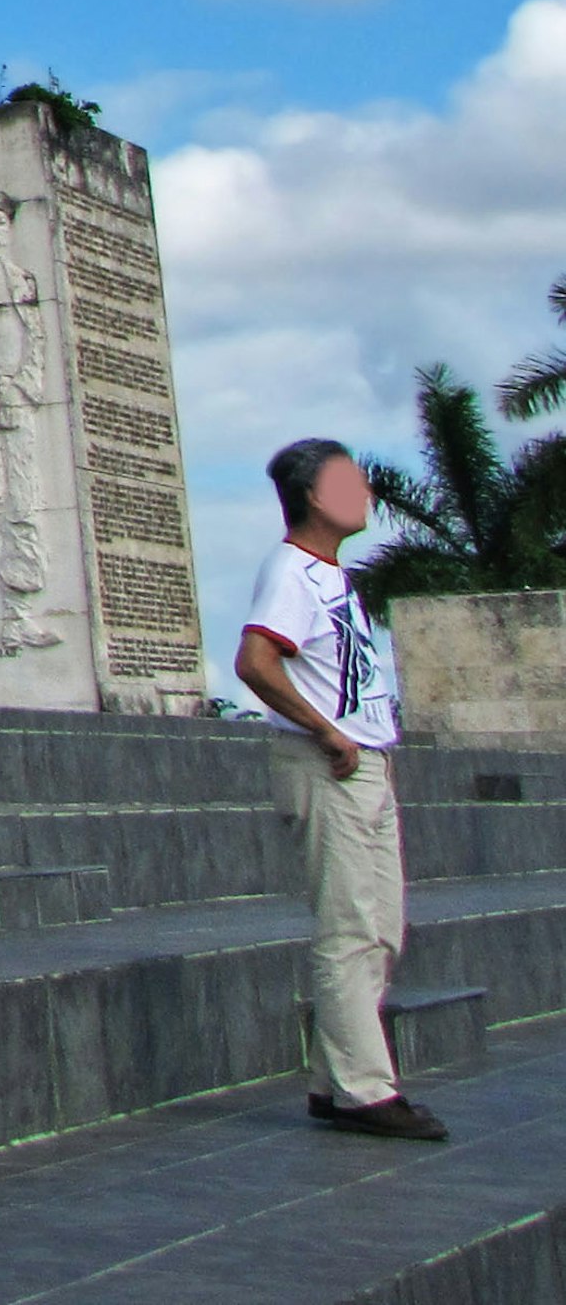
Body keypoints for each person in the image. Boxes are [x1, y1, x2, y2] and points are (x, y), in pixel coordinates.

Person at [235, 437, 442, 1141]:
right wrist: (326, 732)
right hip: (330, 765)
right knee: (349, 928)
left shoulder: (331, 575)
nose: (367, 494)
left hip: (366, 762)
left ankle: (333, 1080)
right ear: (316, 499)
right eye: (351, 483)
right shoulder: (291, 570)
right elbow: (255, 661)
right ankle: (365, 1092)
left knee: (380, 929)